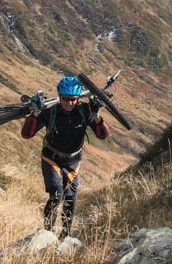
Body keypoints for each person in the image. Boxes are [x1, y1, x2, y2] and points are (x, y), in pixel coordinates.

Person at [21, 75, 109, 238]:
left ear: (78, 98)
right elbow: (27, 134)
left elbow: (102, 135)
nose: (69, 103)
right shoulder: (50, 112)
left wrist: (97, 115)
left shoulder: (84, 111)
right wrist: (35, 114)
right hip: (51, 158)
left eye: (73, 99)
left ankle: (65, 235)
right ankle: (47, 234)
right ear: (60, 97)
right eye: (65, 99)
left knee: (70, 199)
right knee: (56, 194)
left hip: (73, 162)